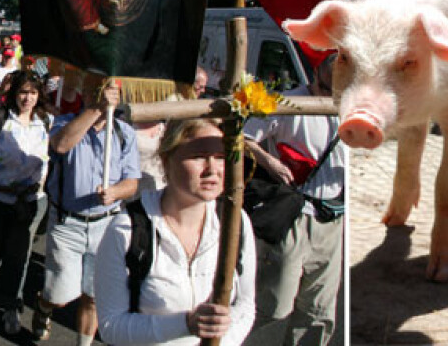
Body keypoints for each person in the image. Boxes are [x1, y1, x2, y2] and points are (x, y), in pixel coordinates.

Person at [94, 118, 256, 345]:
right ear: (166, 160)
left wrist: (223, 341)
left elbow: (245, 306)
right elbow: (111, 326)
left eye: (220, 158)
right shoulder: (128, 229)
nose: (212, 170)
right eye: (198, 157)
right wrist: (186, 324)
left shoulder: (235, 222)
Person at [242, 55, 346, 346]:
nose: (333, 97)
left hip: (332, 217)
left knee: (319, 310)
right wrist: (270, 162)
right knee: (274, 305)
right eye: (328, 90)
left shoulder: (354, 106)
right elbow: (245, 138)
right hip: (294, 215)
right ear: (315, 75)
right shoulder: (284, 102)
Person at [32, 77, 140, 344]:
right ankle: (44, 306)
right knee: (59, 295)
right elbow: (59, 145)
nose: (101, 95)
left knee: (93, 296)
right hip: (68, 224)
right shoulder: (63, 122)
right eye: (94, 90)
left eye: (107, 91)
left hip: (106, 224)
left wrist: (115, 192)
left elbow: (132, 182)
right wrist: (95, 109)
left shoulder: (125, 133)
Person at [0, 70, 52, 335]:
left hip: (30, 202)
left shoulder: (47, 121)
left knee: (19, 256)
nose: (28, 98)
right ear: (14, 94)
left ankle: (11, 306)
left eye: (33, 93)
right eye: (23, 92)